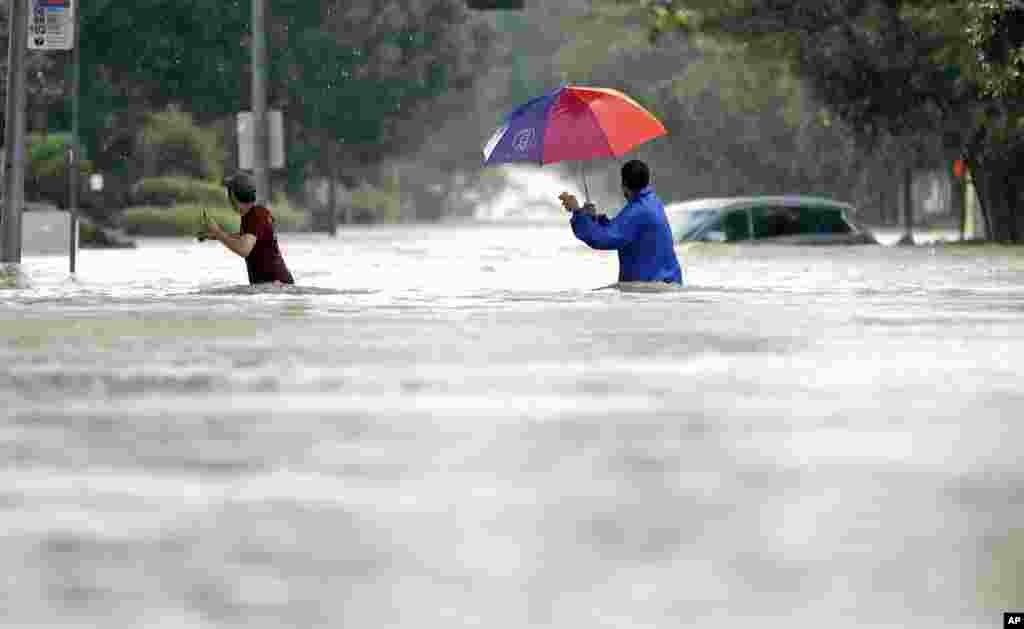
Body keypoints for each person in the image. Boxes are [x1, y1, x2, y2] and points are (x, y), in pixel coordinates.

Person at [558, 159, 683, 286]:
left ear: (624, 185)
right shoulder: (653, 202)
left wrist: (577, 212)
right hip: (667, 286)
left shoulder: (637, 211)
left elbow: (601, 238)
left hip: (651, 290)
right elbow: (620, 230)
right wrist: (592, 218)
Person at [202, 173, 295, 285]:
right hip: (275, 283)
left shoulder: (254, 216)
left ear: (234, 196)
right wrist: (215, 236)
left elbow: (244, 249)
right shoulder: (257, 213)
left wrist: (219, 233)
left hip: (275, 285)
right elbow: (248, 238)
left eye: (229, 193)